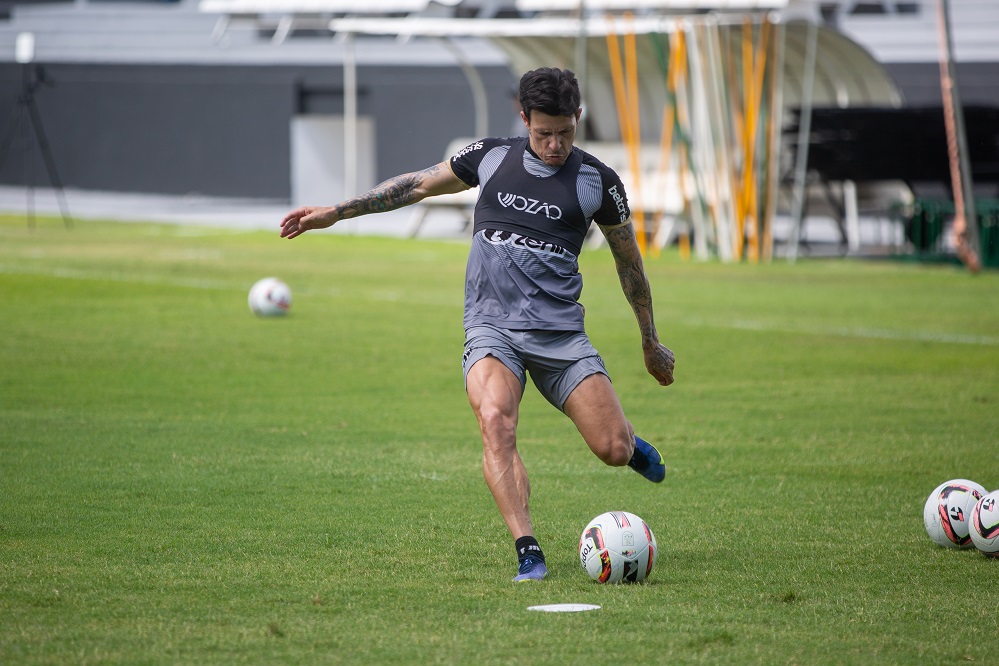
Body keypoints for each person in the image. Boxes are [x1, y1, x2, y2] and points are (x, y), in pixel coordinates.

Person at [280, 67, 675, 582]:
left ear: (578, 118)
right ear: (524, 119)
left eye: (565, 133)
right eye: (543, 134)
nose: (554, 145)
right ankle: (528, 550)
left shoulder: (597, 182)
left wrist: (650, 341)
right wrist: (337, 211)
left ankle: (630, 441)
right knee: (495, 420)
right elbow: (416, 185)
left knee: (612, 449)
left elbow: (629, 264)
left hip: (560, 335)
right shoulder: (491, 157)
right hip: (492, 328)